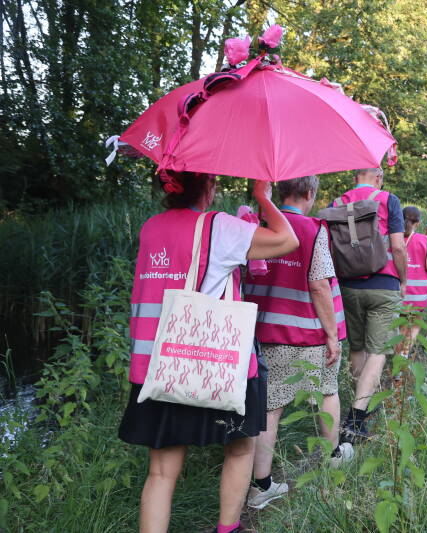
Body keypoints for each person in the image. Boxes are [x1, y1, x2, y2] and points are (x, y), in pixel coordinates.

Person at [120, 171, 299, 533]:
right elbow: (286, 239)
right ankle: (227, 528)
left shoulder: (151, 227)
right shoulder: (220, 226)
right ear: (208, 187)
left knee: (160, 472)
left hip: (158, 365)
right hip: (216, 364)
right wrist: (263, 197)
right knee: (239, 449)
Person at [243, 175, 353, 510]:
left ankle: (261, 485)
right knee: (326, 391)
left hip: (261, 329)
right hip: (306, 332)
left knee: (270, 405)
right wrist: (332, 335)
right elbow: (319, 285)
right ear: (309, 193)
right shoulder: (312, 230)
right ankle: (333, 455)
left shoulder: (256, 225)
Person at [334, 168, 407, 442]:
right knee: (377, 351)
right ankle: (356, 417)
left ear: (354, 175)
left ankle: (358, 404)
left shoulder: (339, 202)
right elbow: (398, 247)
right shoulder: (389, 200)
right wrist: (403, 279)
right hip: (383, 284)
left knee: (357, 347)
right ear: (378, 176)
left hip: (349, 285)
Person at [399, 206, 427, 357]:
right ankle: (405, 354)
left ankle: (397, 355)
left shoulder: (394, 238)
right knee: (414, 325)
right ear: (418, 223)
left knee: (400, 327)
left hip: (400, 291)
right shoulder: (423, 240)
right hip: (418, 293)